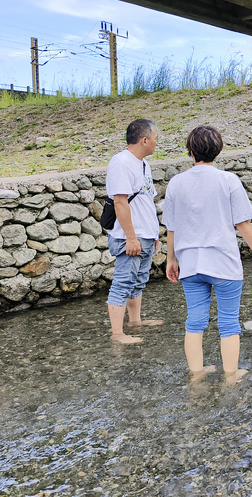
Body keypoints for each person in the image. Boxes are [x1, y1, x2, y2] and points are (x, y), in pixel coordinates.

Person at [162, 125, 252, 384]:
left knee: (194, 321)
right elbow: (242, 223)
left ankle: (196, 376)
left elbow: (171, 227)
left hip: (191, 264)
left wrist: (170, 260)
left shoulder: (176, 183)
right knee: (229, 323)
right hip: (224, 263)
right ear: (217, 151)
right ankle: (231, 376)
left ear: (191, 152)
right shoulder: (228, 180)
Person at [105, 119, 164, 344]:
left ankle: (135, 321)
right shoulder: (121, 163)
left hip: (145, 234)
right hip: (130, 236)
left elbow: (146, 200)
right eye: (156, 138)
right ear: (144, 139)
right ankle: (117, 334)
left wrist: (154, 234)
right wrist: (131, 238)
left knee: (138, 281)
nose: (157, 142)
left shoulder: (143, 164)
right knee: (123, 283)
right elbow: (120, 202)